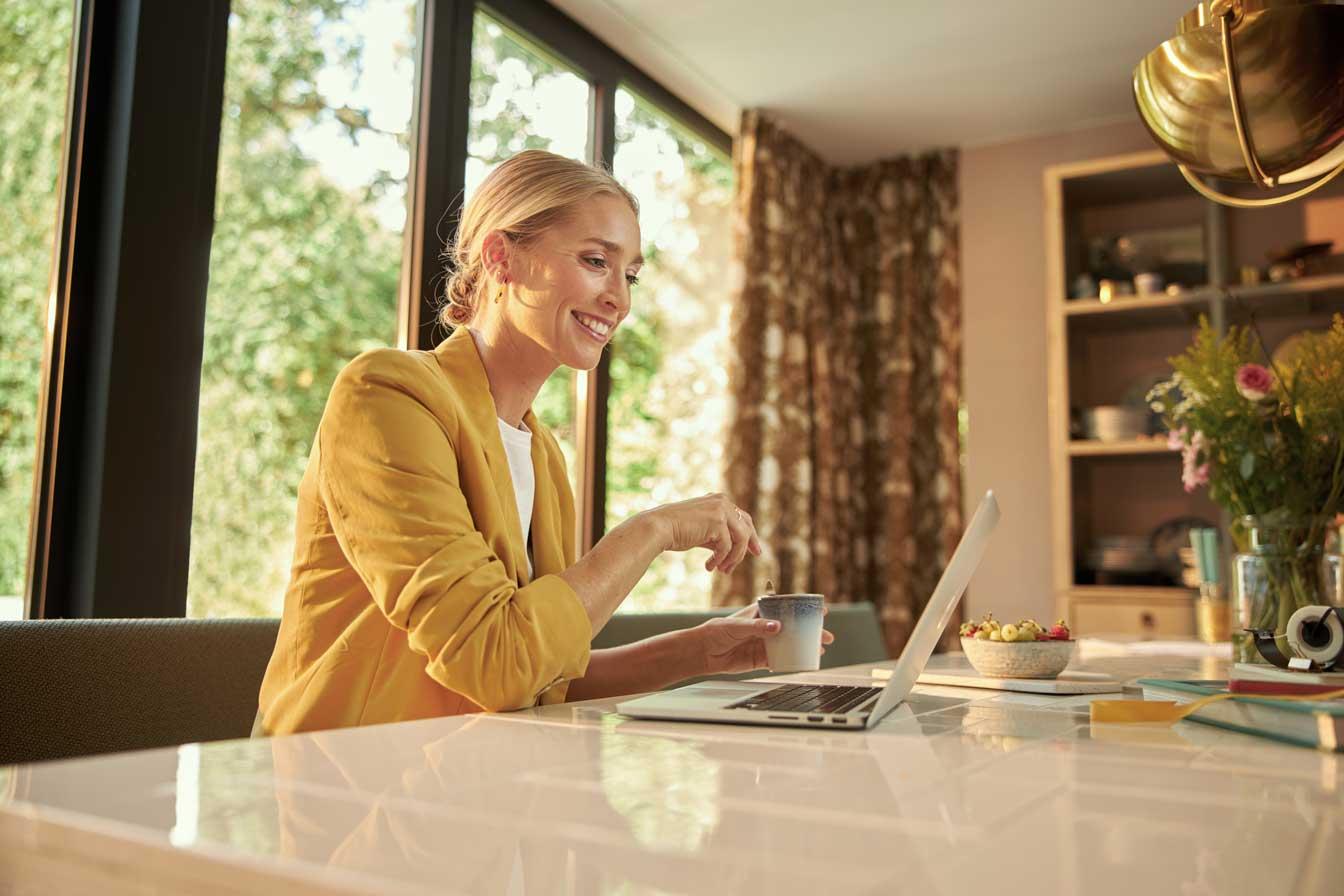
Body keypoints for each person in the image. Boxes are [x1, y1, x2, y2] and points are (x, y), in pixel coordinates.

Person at [256, 150, 832, 736]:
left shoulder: (540, 452)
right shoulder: (385, 396)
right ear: (502, 258)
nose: (620, 299)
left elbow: (539, 672)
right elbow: (495, 663)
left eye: (628, 275)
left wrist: (698, 653)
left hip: (468, 781)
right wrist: (653, 530)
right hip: (345, 785)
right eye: (594, 261)